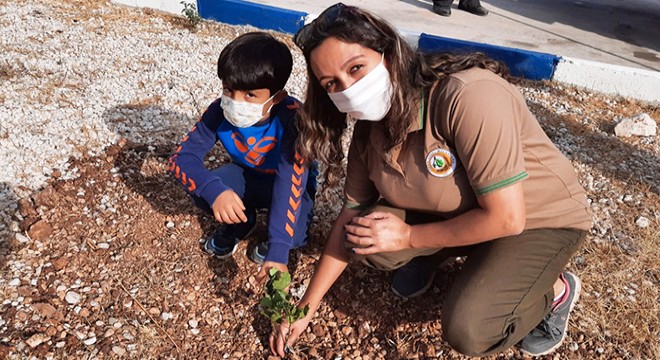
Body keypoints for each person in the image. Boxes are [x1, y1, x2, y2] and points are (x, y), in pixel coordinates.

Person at [269, 3, 591, 358]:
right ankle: (446, 252)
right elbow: (350, 217)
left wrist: (409, 236)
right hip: (460, 211)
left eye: (356, 68)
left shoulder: (467, 96)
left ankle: (554, 292)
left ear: (389, 53)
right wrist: (305, 306)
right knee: (364, 235)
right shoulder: (367, 131)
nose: (349, 89)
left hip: (536, 219)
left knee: (469, 329)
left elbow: (507, 217)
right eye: (332, 83)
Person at [169, 32, 317, 283]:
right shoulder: (219, 110)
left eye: (250, 95)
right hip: (248, 175)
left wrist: (279, 250)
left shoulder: (294, 120)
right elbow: (182, 159)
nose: (235, 101)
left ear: (277, 97)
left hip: (293, 184)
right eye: (229, 89)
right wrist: (214, 191)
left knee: (293, 237)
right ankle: (241, 223)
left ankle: (275, 239)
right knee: (201, 189)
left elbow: (290, 179)